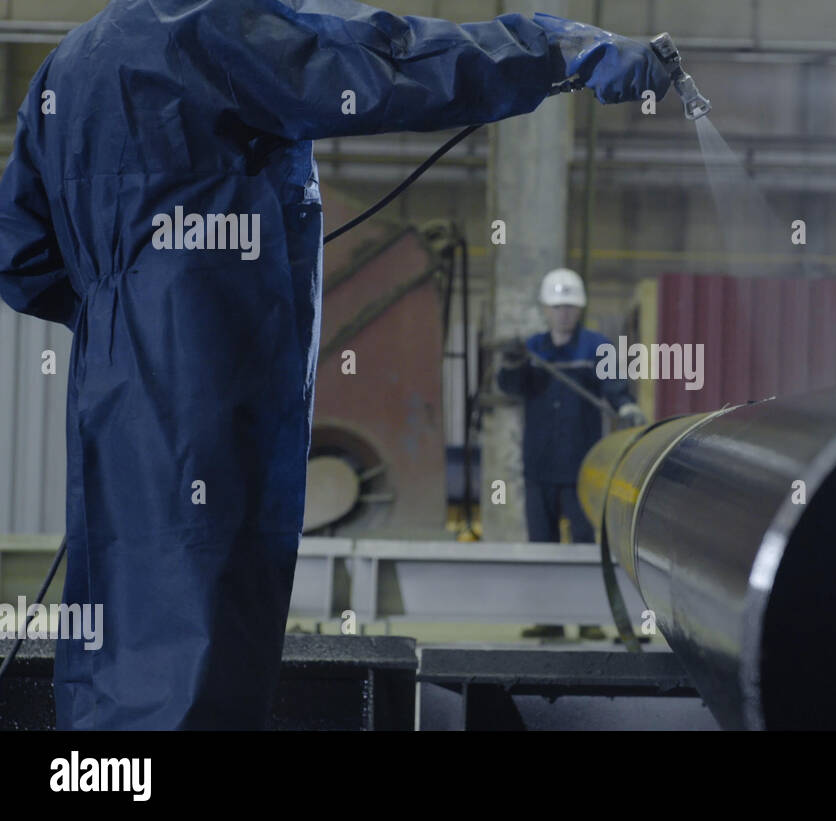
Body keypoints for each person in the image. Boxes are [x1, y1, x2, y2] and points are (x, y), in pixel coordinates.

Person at [0, 0, 670, 730]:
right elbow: (383, 62)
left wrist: (125, 319)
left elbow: (19, 254)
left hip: (113, 392)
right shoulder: (211, 30)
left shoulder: (67, 67)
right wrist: (554, 49)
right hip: (215, 387)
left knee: (115, 633)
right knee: (200, 634)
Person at [498, 268, 646, 640]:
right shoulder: (533, 349)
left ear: (579, 309)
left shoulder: (596, 347)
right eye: (557, 306)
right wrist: (512, 362)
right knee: (542, 547)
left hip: (583, 467)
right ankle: (549, 619)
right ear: (546, 309)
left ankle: (588, 620)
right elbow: (509, 386)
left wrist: (626, 407)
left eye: (569, 306)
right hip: (539, 466)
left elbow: (614, 386)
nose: (563, 313)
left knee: (582, 545)